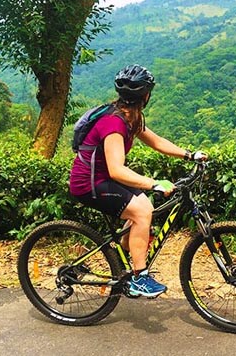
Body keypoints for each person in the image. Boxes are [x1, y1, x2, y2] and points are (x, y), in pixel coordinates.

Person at [69, 64, 206, 298]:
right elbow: (116, 170)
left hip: (101, 178)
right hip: (88, 184)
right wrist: (154, 183)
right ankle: (139, 278)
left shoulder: (131, 117)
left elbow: (156, 141)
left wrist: (189, 154)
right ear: (146, 95)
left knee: (144, 207)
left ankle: (122, 262)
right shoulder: (114, 123)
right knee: (142, 212)